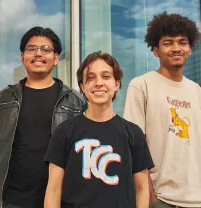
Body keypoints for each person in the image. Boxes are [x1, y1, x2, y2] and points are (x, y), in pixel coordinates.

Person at [0, 26, 86, 208]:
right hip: (11, 200)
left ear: (56, 58)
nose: (38, 54)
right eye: (31, 49)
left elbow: (86, 145)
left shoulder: (75, 101)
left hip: (60, 199)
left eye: (46, 49)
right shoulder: (4, 98)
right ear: (22, 57)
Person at [123, 12, 201, 208]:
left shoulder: (196, 90)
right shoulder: (141, 85)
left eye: (182, 42)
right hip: (164, 200)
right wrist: (150, 198)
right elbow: (134, 147)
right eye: (168, 43)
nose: (176, 48)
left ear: (190, 49)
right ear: (155, 50)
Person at [44, 51, 154, 208]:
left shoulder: (133, 133)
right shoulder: (64, 132)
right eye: (90, 78)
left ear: (117, 84)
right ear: (82, 86)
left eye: (106, 76)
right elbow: (53, 190)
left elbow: (142, 190)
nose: (98, 83)